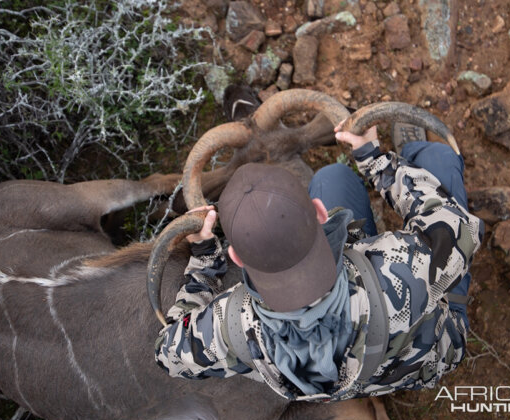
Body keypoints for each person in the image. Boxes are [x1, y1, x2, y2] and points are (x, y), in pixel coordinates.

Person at [154, 119, 484, 400]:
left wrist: (203, 261)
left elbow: (167, 354)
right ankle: (413, 152)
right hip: (427, 358)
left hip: (357, 385)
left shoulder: (229, 325)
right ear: (319, 211)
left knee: (333, 178)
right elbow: (460, 230)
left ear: (236, 256)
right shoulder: (398, 265)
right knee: (438, 158)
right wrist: (375, 161)